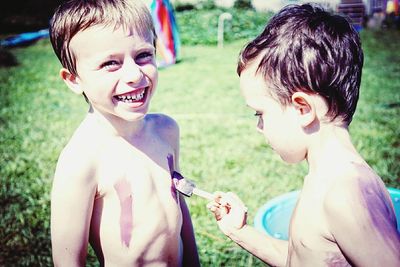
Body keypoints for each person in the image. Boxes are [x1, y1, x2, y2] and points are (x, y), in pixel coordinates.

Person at [207, 4, 400, 266]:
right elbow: (301, 258)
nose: (259, 126)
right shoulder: (323, 178)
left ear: (302, 109)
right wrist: (239, 232)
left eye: (260, 114)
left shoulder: (345, 193)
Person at [49, 0, 200, 266]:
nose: (134, 74)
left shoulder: (166, 130)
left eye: (143, 55)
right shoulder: (81, 160)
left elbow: (178, 207)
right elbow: (67, 259)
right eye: (110, 63)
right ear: (74, 80)